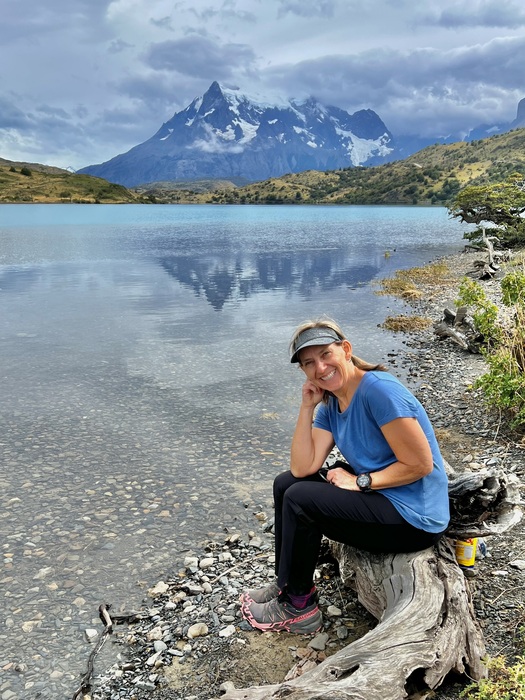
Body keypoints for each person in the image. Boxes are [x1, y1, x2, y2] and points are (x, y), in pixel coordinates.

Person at [240, 318, 450, 634]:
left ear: (346, 349)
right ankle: (286, 584)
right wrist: (306, 407)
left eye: (326, 354)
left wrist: (360, 482)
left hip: (415, 519)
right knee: (286, 484)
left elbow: (420, 465)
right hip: (385, 498)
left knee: (300, 500)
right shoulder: (332, 402)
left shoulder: (379, 392)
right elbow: (302, 468)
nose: (320, 368)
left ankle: (298, 607)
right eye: (309, 363)